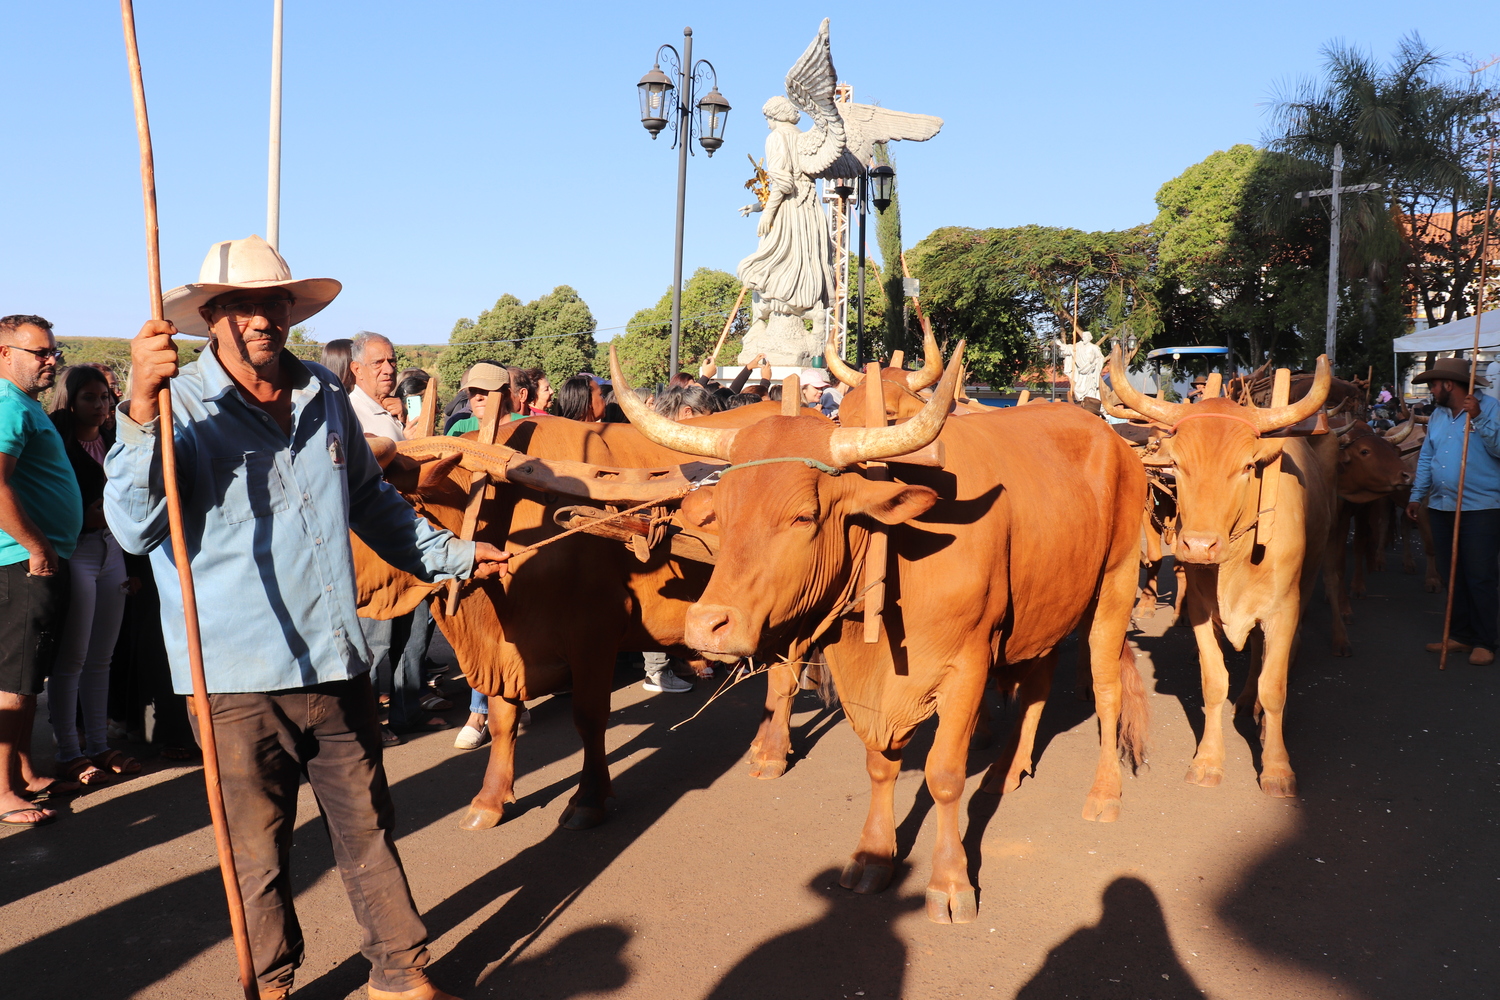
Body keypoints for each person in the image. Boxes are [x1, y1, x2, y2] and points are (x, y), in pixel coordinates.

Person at [104, 235, 508, 1000]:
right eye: (244, 306)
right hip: (232, 674)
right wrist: (137, 407)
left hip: (333, 658)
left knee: (367, 827)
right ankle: (273, 984)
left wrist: (452, 556)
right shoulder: (176, 406)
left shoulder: (323, 395)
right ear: (212, 317)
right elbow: (133, 529)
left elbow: (371, 501)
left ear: (291, 311)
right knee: (256, 853)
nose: (263, 319)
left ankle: (400, 973)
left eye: (275, 304)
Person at [0, 314, 83, 827]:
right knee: (13, 677)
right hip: (21, 562)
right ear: (4, 354)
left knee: (31, 675)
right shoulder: (8, 404)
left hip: (39, 560)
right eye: (39, 352)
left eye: (53, 351)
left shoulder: (25, 405)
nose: (51, 359)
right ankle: (3, 789)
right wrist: (35, 546)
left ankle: (25, 772)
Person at [47, 364, 136, 786]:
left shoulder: (113, 439)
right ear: (70, 400)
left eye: (105, 397)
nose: (101, 405)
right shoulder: (55, 441)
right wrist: (82, 515)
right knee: (73, 658)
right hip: (76, 550)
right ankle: (70, 751)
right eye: (90, 398)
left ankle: (99, 746)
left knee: (102, 657)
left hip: (113, 549)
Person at [1406, 357, 1500, 666]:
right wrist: (1417, 496)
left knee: (1480, 576)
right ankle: (1460, 634)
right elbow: (1427, 458)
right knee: (1452, 574)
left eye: (1433, 384)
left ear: (1449, 384)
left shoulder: (1491, 409)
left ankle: (1485, 641)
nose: (1431, 390)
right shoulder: (1438, 417)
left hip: (1481, 508)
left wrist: (1479, 418)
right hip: (1443, 505)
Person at [348, 332, 405, 441]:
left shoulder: (399, 409)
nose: (389, 370)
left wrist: (404, 421)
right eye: (377, 363)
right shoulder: (351, 415)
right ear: (357, 369)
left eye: (392, 361)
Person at [446, 362, 518, 435]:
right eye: (472, 391)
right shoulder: (461, 428)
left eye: (485, 390)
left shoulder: (525, 425)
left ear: (506, 394)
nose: (478, 397)